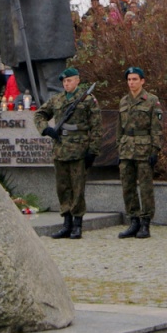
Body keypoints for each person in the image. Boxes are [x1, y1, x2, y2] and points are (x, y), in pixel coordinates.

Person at [34, 68, 101, 239]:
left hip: (79, 150)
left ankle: (77, 224)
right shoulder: (57, 99)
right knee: (62, 187)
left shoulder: (87, 100)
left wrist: (92, 151)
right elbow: (39, 114)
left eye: (69, 81)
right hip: (60, 149)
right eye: (64, 81)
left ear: (77, 80)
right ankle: (66, 223)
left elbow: (96, 127)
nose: (66, 84)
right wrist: (46, 129)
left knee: (77, 188)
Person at [116, 67, 163, 239]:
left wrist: (155, 149)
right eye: (129, 79)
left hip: (144, 149)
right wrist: (118, 149)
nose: (131, 83)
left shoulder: (151, 100)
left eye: (135, 79)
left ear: (142, 81)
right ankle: (133, 220)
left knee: (145, 188)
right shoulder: (123, 101)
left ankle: (145, 223)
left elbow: (157, 129)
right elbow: (118, 129)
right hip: (126, 149)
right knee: (127, 187)